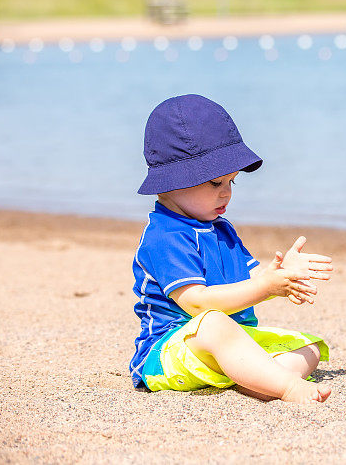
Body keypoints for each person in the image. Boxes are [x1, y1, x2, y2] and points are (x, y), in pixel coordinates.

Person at [128, 94, 333, 403]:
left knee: (309, 347)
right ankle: (286, 386)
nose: (226, 194)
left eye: (232, 183)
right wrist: (264, 288)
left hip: (230, 340)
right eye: (215, 184)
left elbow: (253, 278)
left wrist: (278, 276)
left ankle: (253, 377)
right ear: (172, 181)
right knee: (212, 323)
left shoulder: (222, 229)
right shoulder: (164, 236)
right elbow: (196, 305)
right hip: (170, 352)